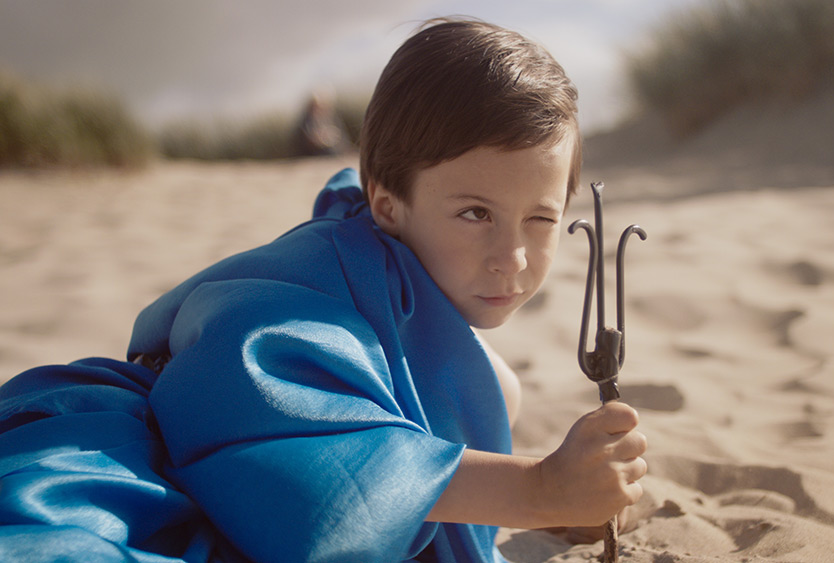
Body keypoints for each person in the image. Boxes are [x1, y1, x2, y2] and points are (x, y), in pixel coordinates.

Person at [0, 18, 646, 563]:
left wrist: (563, 504)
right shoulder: (323, 278)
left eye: (541, 218)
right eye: (475, 213)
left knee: (495, 385)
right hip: (122, 449)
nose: (512, 257)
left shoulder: (419, 279)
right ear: (388, 206)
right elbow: (304, 439)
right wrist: (535, 489)